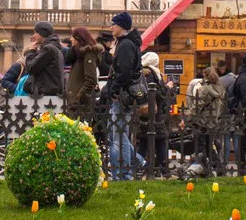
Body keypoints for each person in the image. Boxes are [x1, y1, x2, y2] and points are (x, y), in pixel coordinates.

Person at [106, 11, 142, 180]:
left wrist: (114, 90)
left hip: (121, 96)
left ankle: (123, 173)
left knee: (119, 136)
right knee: (119, 135)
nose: (111, 27)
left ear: (122, 26)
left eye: (114, 24)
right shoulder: (124, 43)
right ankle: (127, 170)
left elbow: (124, 71)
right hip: (121, 94)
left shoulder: (126, 45)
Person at [136, 52, 175, 177]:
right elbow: (155, 93)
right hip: (152, 113)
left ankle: (156, 169)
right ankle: (159, 169)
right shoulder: (150, 73)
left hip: (152, 114)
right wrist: (167, 88)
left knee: (153, 141)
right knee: (154, 140)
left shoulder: (147, 72)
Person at [188, 66, 225, 176]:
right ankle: (219, 168)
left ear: (205, 76)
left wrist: (189, 116)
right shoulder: (220, 89)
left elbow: (197, 106)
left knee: (201, 146)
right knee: (209, 146)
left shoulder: (203, 89)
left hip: (201, 121)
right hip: (212, 121)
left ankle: (204, 170)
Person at [66, 27, 101, 119]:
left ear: (79, 38)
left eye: (73, 36)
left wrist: (77, 97)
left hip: (80, 104)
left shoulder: (88, 54)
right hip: (75, 102)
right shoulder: (78, 54)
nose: (71, 39)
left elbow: (90, 80)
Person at [23, 22, 65, 97]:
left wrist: (31, 51)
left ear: (41, 33)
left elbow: (32, 68)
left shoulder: (49, 48)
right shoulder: (55, 48)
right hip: (50, 91)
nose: (33, 36)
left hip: (45, 93)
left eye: (35, 33)